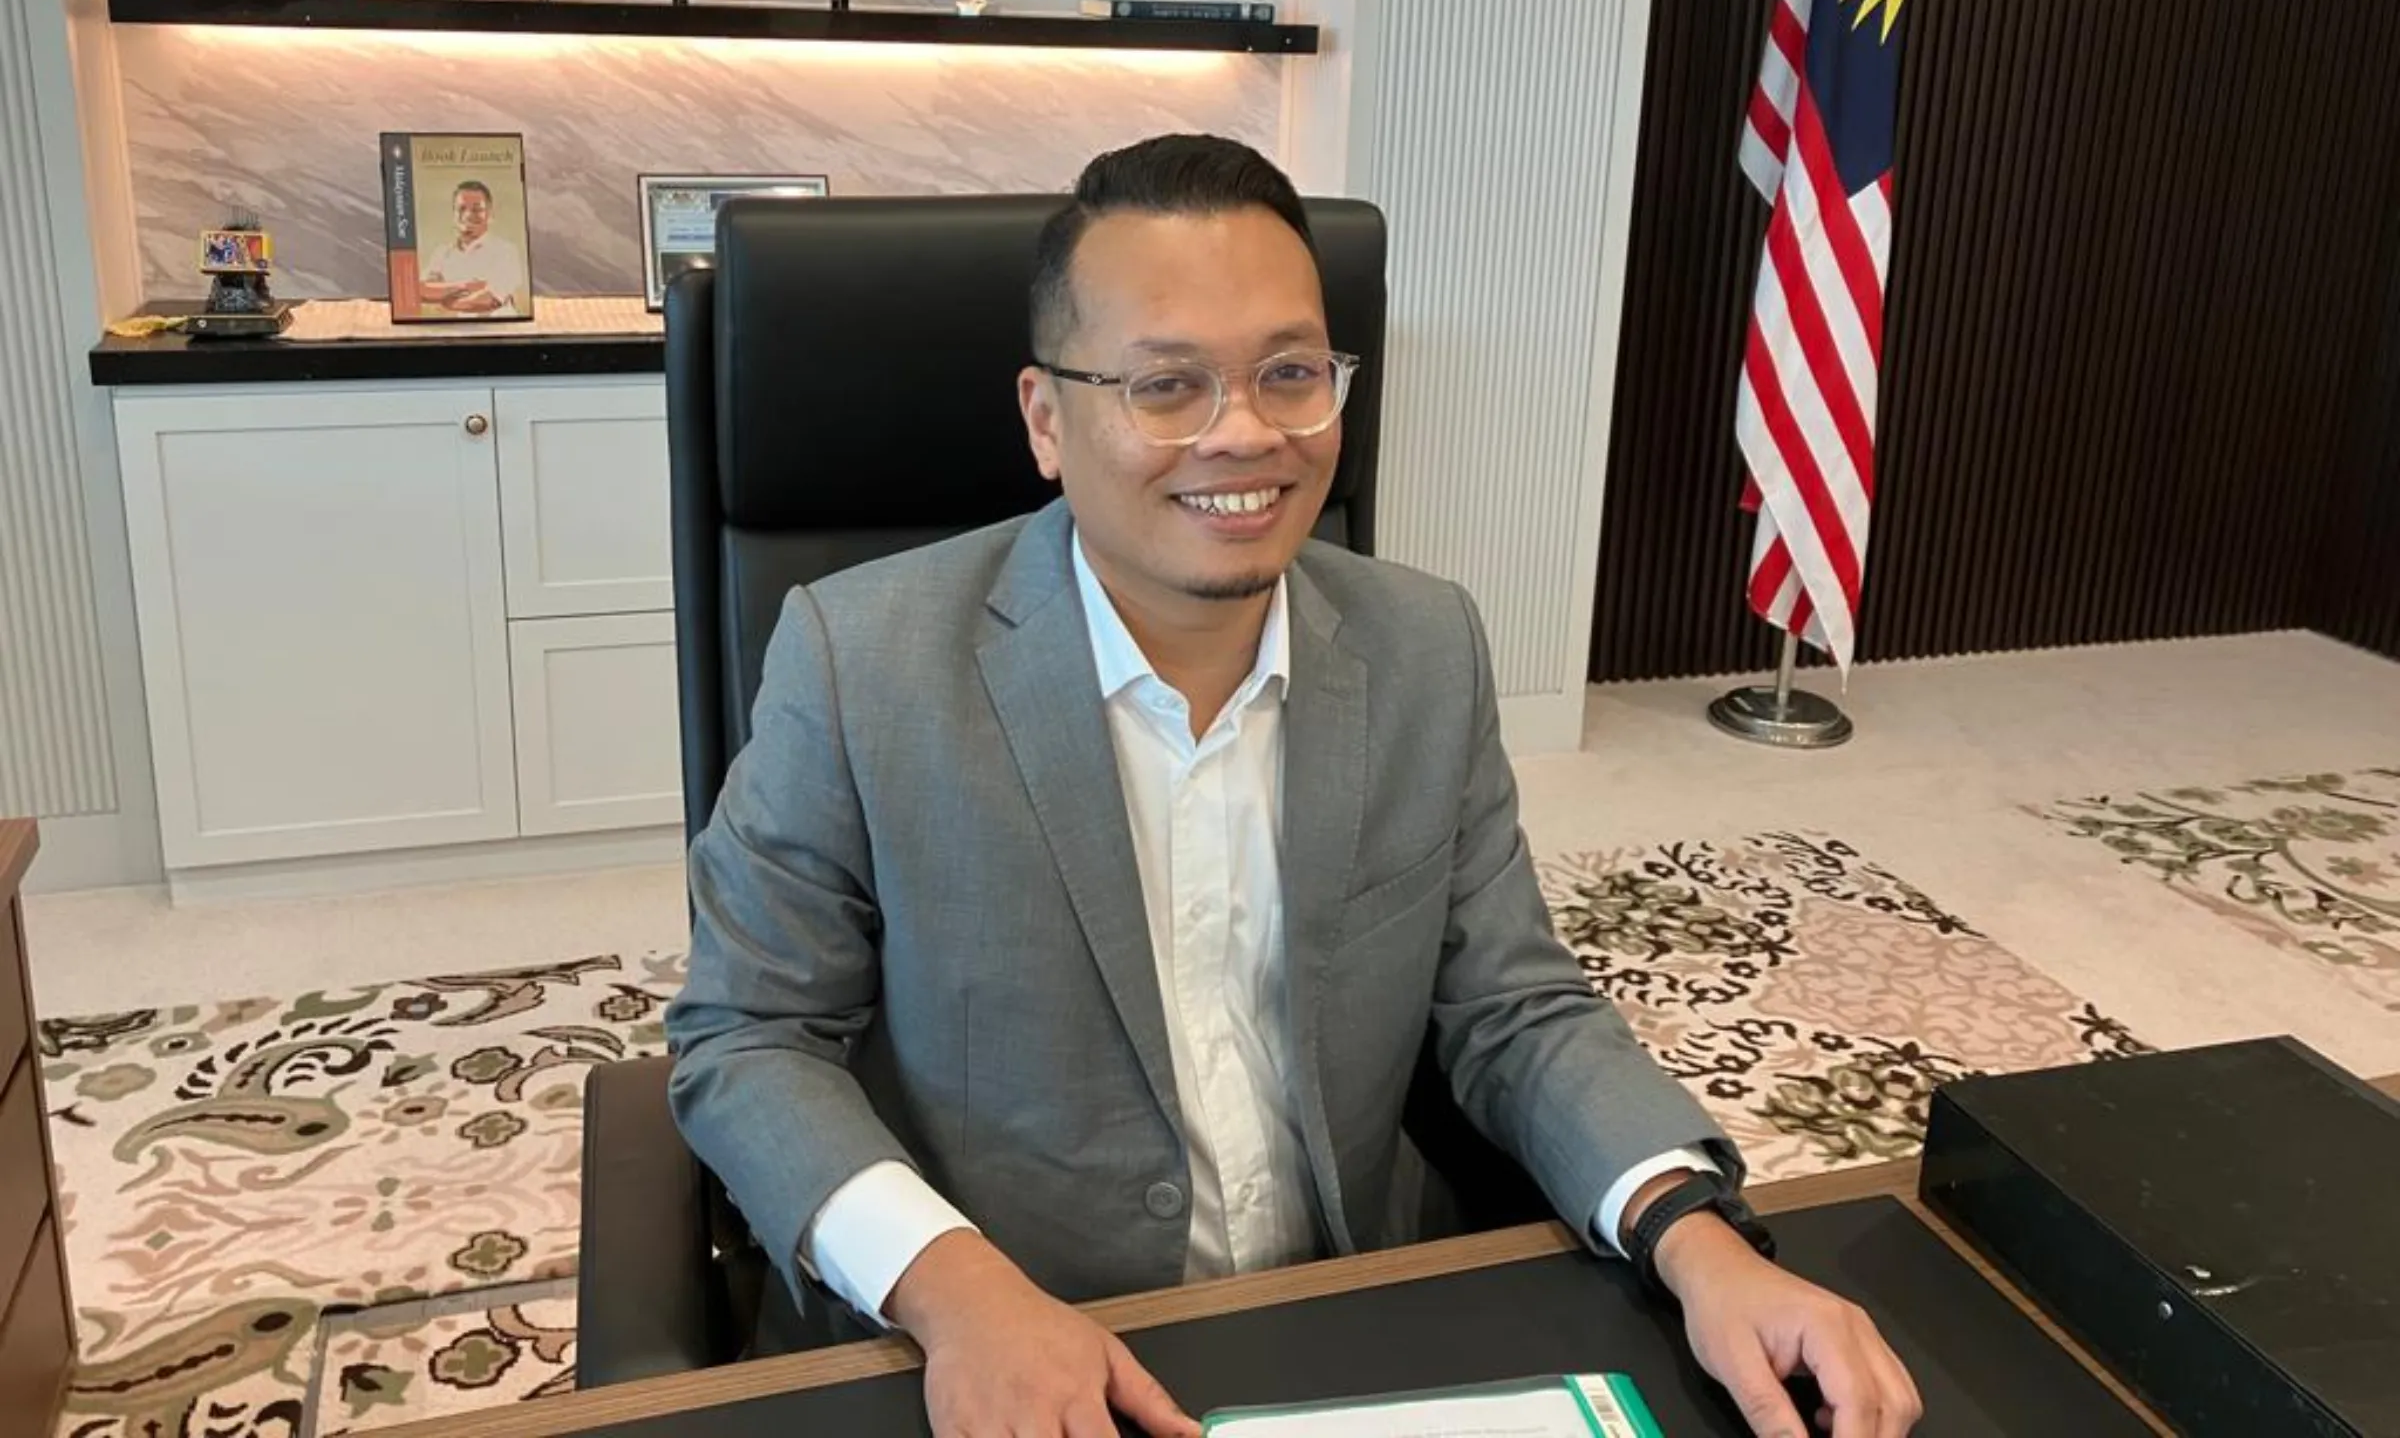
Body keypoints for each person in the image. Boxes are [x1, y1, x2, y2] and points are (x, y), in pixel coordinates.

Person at [666, 135, 1923, 1438]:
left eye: (1291, 374)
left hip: (1354, 1319)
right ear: (1047, 419)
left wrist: (1702, 1243)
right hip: (1011, 1345)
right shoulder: (858, 661)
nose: (1246, 433)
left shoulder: (1422, 646)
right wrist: (955, 1292)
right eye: (1166, 385)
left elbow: (1512, 1004)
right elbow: (746, 1040)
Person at [416, 180, 526, 316]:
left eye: (477, 209)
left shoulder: (506, 251)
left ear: (490, 214)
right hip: (457, 332)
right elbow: (419, 291)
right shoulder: (443, 253)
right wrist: (466, 286)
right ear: (453, 214)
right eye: (461, 208)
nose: (468, 215)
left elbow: (490, 300)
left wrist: (445, 299)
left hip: (498, 332)